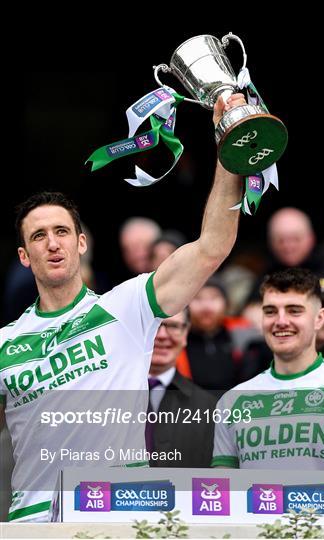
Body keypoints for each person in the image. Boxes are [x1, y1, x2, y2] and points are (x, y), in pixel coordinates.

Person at [0, 93, 246, 522]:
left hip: (116, 511)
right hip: (34, 518)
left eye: (61, 231)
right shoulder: (5, 342)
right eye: (39, 236)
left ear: (82, 243)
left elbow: (212, 246)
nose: (52, 243)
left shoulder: (128, 306)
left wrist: (228, 149)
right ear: (24, 256)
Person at [212, 268, 324, 470]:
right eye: (270, 311)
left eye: (294, 311)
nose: (281, 322)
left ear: (319, 318)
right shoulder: (232, 401)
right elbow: (223, 494)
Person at [146, 309, 216, 467]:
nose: (162, 335)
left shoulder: (209, 409)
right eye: (154, 325)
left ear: (186, 333)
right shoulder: (103, 397)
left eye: (173, 326)